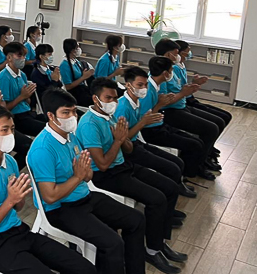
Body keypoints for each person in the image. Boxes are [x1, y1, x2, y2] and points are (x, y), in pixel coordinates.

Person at [0, 106, 96, 274]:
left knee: (84, 267)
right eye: (4, 130)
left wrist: (18, 198)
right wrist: (10, 200)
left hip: (19, 231)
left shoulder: (9, 162)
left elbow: (18, 208)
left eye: (12, 129)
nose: (10, 135)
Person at [29, 87, 147, 274]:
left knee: (136, 219)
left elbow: (89, 175)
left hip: (84, 197)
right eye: (65, 113)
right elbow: (50, 197)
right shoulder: (42, 149)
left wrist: (82, 175)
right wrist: (78, 176)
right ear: (51, 116)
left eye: (74, 111)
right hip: (61, 209)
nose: (72, 117)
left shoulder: (71, 137)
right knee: (112, 243)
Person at [78, 78, 187, 274]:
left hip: (123, 165)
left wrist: (123, 139)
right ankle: (152, 250)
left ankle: (158, 243)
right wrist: (119, 140)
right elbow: (102, 165)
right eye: (107, 98)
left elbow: (127, 147)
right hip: (107, 175)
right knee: (156, 199)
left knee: (169, 187)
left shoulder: (109, 116)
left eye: (114, 97)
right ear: (96, 99)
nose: (113, 101)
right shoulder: (89, 124)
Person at [117, 67, 195, 198]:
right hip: (128, 150)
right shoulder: (122, 108)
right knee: (172, 168)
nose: (144, 88)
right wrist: (143, 122)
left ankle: (176, 188)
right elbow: (122, 139)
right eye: (140, 85)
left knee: (178, 162)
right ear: (128, 85)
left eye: (146, 84)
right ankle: (172, 192)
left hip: (138, 143)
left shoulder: (135, 101)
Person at [140, 56, 215, 181]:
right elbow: (145, 119)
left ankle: (189, 171)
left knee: (197, 142)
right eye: (170, 71)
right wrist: (161, 104)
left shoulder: (156, 86)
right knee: (193, 145)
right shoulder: (149, 90)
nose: (172, 74)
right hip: (152, 131)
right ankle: (187, 175)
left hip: (160, 124)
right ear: (165, 73)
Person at [155, 39, 222, 174]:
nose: (179, 56)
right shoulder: (161, 73)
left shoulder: (173, 69)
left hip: (181, 105)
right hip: (170, 111)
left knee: (217, 122)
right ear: (168, 55)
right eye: (176, 53)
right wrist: (183, 93)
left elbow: (180, 89)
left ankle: (203, 158)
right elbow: (163, 102)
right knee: (210, 129)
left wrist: (191, 87)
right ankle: (195, 167)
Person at [176, 40, 230, 155]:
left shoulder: (182, 65)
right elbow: (178, 91)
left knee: (225, 117)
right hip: (183, 103)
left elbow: (183, 87)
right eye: (187, 51)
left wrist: (195, 83)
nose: (189, 53)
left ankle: (209, 146)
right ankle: (205, 152)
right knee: (215, 124)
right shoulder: (173, 68)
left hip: (189, 99)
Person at [0, 42, 46, 137]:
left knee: (52, 121)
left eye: (24, 56)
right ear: (9, 57)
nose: (23, 58)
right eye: (19, 55)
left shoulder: (22, 74)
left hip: (27, 112)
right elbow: (3, 109)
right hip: (16, 118)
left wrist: (27, 96)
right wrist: (22, 96)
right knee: (46, 129)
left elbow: (27, 101)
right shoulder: (4, 77)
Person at [59, 38, 94, 107]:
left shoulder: (75, 61)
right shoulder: (64, 65)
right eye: (77, 47)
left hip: (83, 89)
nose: (79, 49)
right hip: (75, 94)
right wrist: (83, 77)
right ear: (72, 50)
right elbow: (68, 86)